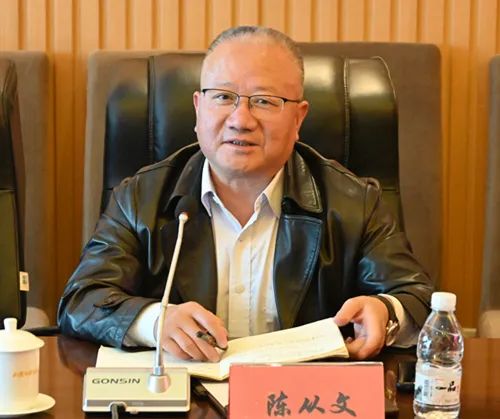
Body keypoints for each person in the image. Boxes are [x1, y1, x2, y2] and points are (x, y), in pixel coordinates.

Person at [58, 26, 433, 362]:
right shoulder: (140, 198)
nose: (240, 119)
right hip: (185, 398)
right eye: (223, 97)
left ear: (298, 118)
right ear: (198, 108)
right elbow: (82, 299)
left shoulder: (354, 202)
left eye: (264, 100)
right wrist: (155, 321)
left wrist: (386, 312)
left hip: (299, 398)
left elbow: (417, 298)